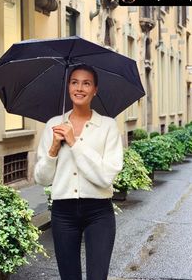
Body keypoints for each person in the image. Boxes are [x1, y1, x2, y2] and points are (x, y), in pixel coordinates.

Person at [34, 64, 123, 280]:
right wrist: (54, 148)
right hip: (63, 212)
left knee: (97, 276)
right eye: (74, 82)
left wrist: (74, 142)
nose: (79, 88)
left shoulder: (108, 126)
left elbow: (105, 177)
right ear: (68, 87)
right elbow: (42, 179)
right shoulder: (54, 125)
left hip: (99, 212)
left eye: (86, 83)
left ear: (95, 90)